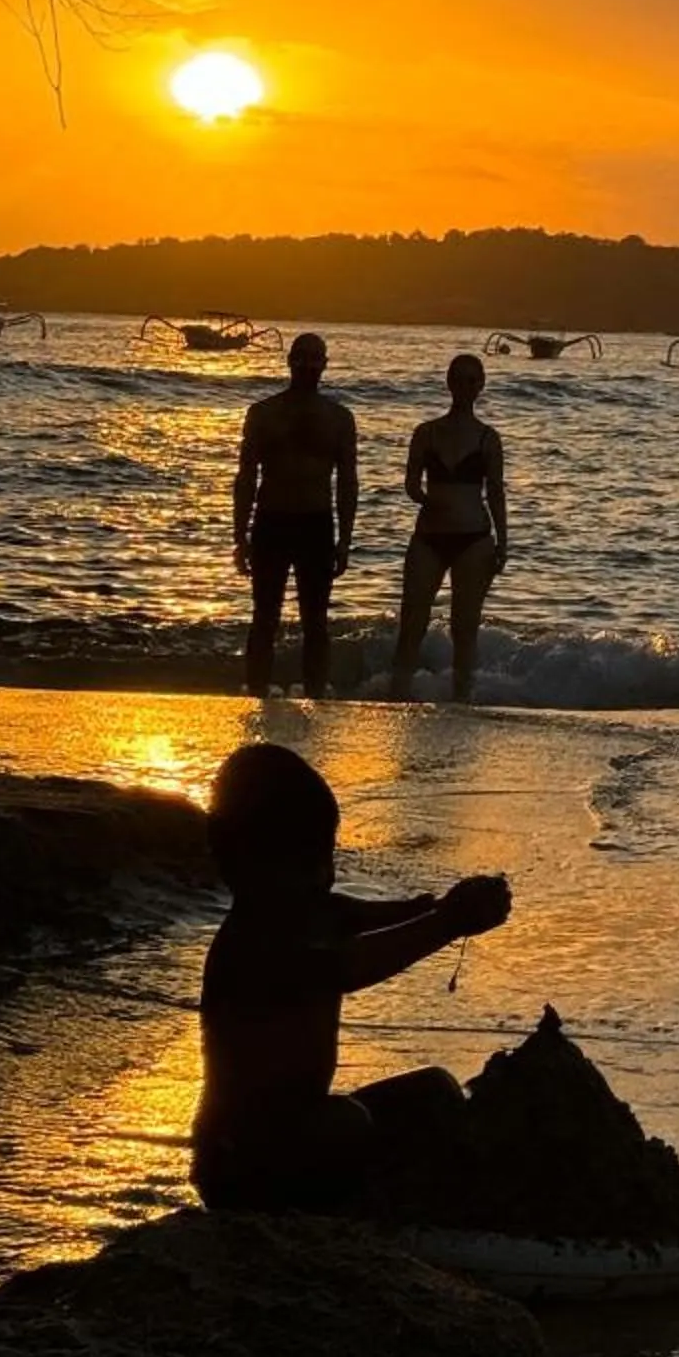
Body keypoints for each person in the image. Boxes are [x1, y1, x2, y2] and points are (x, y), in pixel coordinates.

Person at [190, 742, 511, 1212]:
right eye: (308, 863)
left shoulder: (312, 911)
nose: (325, 875)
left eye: (328, 856)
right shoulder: (251, 946)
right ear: (246, 864)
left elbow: (370, 918)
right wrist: (446, 924)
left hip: (301, 1126)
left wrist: (444, 908)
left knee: (434, 1089)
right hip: (239, 1158)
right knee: (344, 1122)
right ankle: (370, 1201)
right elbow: (347, 966)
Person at [233, 332, 357, 697]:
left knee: (315, 619)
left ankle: (316, 695)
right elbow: (245, 477)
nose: (307, 364)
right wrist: (239, 537)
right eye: (301, 357)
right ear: (289, 361)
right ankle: (256, 692)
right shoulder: (263, 414)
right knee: (264, 616)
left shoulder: (338, 418)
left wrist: (345, 540)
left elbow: (347, 482)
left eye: (315, 358)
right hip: (271, 521)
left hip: (316, 524)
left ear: (325, 364)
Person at [387, 351, 508, 702]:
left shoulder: (488, 438)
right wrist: (427, 500)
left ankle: (461, 701)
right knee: (412, 622)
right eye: (459, 379)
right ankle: (397, 696)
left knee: (464, 628)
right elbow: (411, 484)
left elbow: (496, 492)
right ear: (449, 383)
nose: (465, 386)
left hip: (474, 539)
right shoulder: (426, 433)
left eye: (472, 380)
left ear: (480, 385)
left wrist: (503, 542)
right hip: (429, 536)